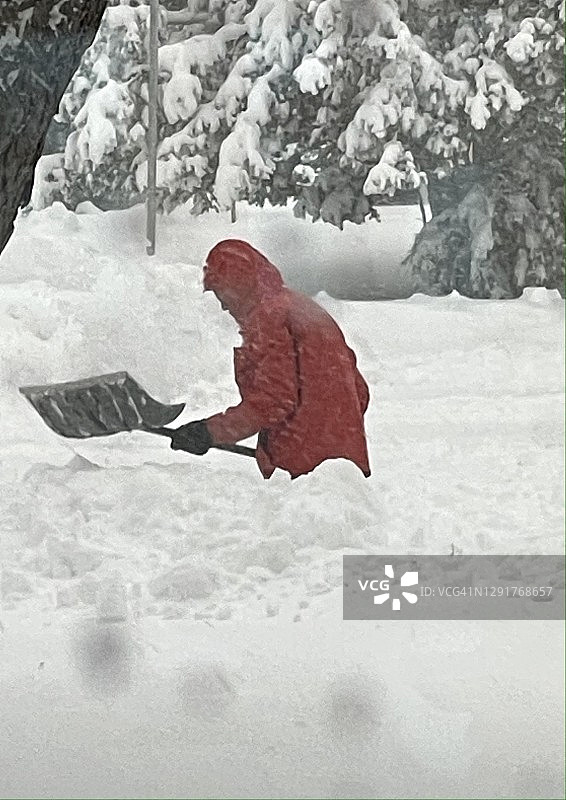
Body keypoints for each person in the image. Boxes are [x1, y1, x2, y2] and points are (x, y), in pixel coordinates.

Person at [170, 239, 371, 479]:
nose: (223, 306)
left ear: (239, 286)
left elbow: (273, 400)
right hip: (344, 467)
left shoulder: (268, 319)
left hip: (305, 472)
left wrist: (209, 432)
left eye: (222, 293)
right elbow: (359, 391)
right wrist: (332, 433)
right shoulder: (301, 307)